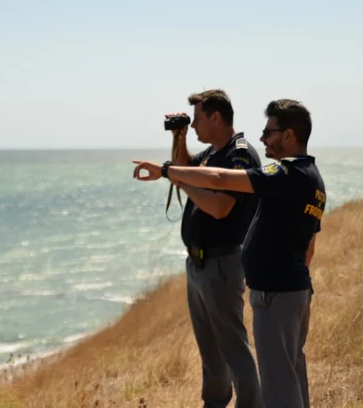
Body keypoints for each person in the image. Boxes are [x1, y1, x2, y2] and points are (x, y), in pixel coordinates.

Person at [133, 99, 325, 408]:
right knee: (288, 377)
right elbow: (309, 248)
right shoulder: (311, 177)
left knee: (277, 385)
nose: (262, 139)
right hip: (287, 288)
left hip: (274, 290)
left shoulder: (280, 171)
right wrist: (178, 140)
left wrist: (168, 171)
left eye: (269, 132)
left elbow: (221, 185)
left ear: (289, 135)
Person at [166, 89, 264, 408]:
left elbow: (221, 207)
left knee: (233, 348)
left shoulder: (240, 154)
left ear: (216, 117)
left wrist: (180, 181)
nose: (193, 126)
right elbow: (183, 167)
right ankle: (215, 403)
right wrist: (179, 137)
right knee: (210, 350)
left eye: (195, 120)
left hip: (222, 263)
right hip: (198, 265)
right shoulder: (210, 153)